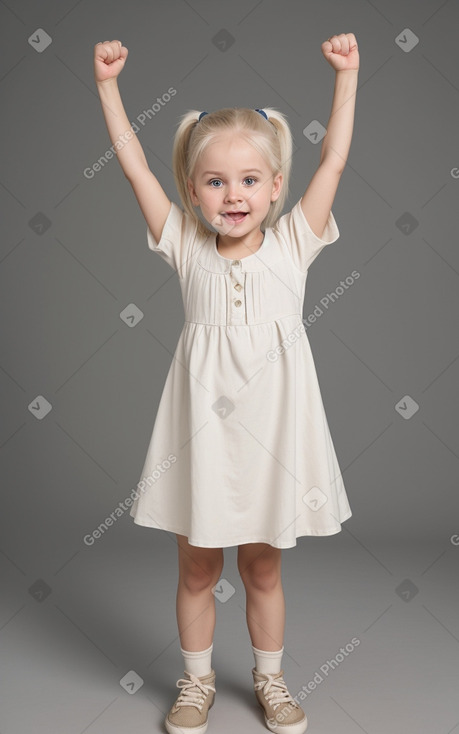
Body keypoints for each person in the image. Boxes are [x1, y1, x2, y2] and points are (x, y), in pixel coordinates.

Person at [94, 32, 358, 734]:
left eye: (248, 180)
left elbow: (332, 156)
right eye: (214, 181)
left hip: (273, 430)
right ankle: (196, 682)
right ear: (192, 190)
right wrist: (108, 88)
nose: (232, 194)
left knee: (264, 568)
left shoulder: (296, 239)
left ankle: (269, 681)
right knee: (197, 567)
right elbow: (133, 171)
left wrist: (347, 74)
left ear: (275, 187)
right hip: (202, 434)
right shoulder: (183, 243)